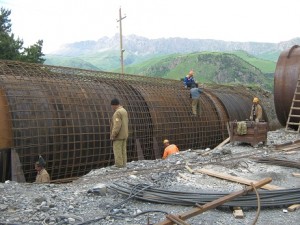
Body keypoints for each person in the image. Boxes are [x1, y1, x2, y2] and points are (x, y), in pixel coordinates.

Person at [110, 98, 129, 168]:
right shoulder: (124, 110)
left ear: (114, 105)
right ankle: (124, 163)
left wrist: (113, 135)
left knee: (117, 150)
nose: (112, 107)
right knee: (123, 150)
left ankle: (119, 165)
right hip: (125, 134)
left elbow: (117, 125)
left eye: (112, 106)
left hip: (119, 136)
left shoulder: (117, 112)